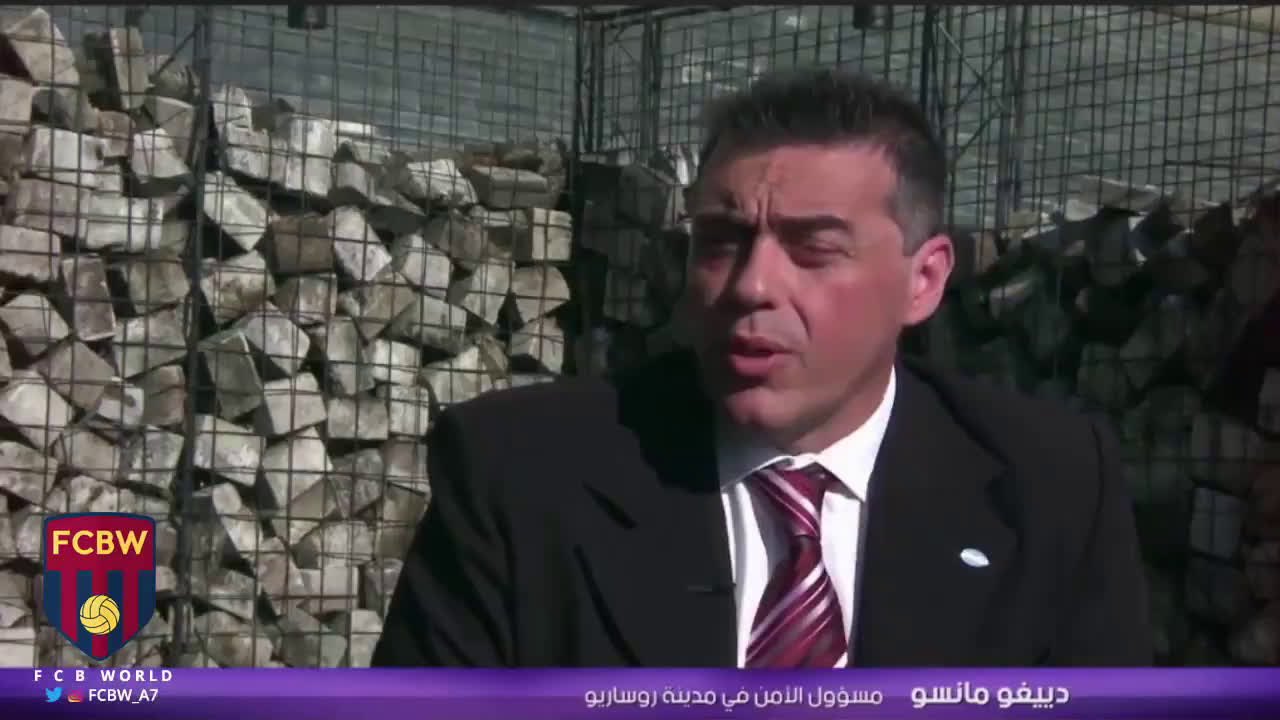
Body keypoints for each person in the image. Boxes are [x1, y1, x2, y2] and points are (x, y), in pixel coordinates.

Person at [371, 67, 1153, 667]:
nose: (751, 286)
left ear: (924, 280)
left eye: (814, 248)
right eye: (721, 242)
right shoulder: (521, 473)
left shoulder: (1048, 484)